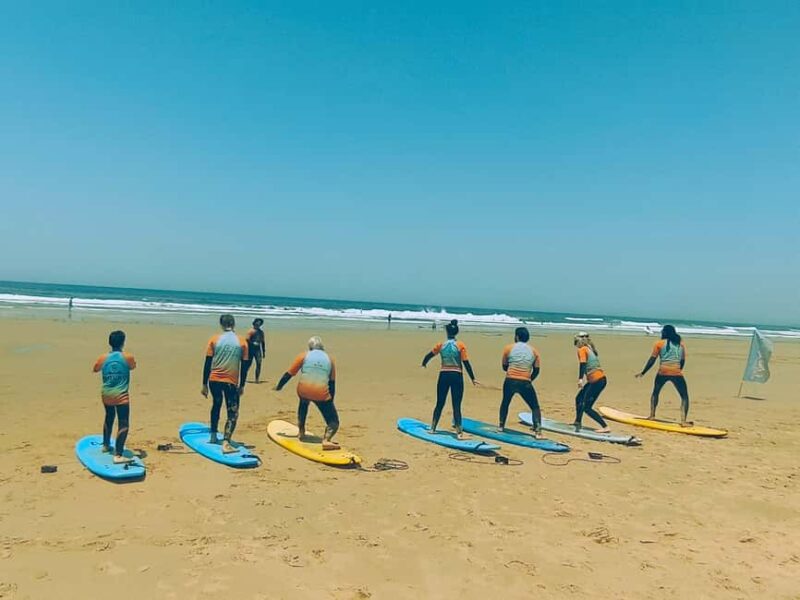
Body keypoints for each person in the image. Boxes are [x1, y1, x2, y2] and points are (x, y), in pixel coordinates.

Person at [274, 336, 340, 450]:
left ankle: (301, 431)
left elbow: (289, 374)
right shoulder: (330, 359)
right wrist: (330, 401)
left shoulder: (303, 355)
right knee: (334, 421)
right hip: (321, 392)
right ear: (322, 347)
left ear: (310, 347)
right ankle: (326, 440)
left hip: (303, 389)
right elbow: (332, 383)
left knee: (303, 404)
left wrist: (279, 386)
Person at [421, 319, 479, 437]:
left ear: (447, 332)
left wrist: (424, 363)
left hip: (444, 375)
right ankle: (459, 432)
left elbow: (429, 355)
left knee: (440, 402)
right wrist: (472, 377)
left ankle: (432, 428)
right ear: (456, 332)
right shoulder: (460, 345)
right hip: (456, 376)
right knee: (456, 404)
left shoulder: (441, 345)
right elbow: (466, 362)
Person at [201, 314, 249, 453]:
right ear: (233, 324)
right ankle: (226, 442)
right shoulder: (242, 342)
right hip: (231, 382)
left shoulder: (214, 339)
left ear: (221, 325)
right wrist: (242, 385)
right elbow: (245, 366)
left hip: (214, 380)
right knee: (232, 412)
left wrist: (204, 384)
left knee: (216, 405)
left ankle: (213, 436)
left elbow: (207, 363)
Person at [92, 330, 137, 463]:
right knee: (123, 423)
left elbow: (95, 369)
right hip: (121, 395)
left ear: (109, 343)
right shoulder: (128, 357)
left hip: (106, 394)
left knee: (109, 418)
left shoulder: (103, 357)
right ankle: (118, 455)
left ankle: (106, 445)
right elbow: (133, 367)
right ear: (123, 342)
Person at [635, 324, 691, 426]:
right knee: (684, 396)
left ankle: (652, 415)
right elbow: (682, 361)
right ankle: (683, 421)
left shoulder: (659, 344)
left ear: (664, 333)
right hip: (676, 372)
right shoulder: (680, 344)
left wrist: (643, 372)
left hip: (663, 372)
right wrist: (677, 370)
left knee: (655, 392)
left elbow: (652, 360)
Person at [499, 327, 543, 438]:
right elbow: (537, 370)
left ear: (517, 336)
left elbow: (504, 367)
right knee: (534, 406)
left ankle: (501, 426)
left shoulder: (508, 348)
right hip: (525, 382)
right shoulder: (534, 351)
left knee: (505, 402)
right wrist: (529, 379)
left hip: (510, 380)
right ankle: (538, 431)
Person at [573, 332, 610, 432]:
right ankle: (578, 421)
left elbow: (583, 364)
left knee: (587, 408)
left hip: (597, 381)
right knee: (579, 398)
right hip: (597, 380)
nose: (575, 344)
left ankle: (605, 427)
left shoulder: (582, 349)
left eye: (575, 342)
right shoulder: (589, 348)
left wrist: (580, 379)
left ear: (578, 342)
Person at [246, 318, 267, 383]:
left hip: (258, 350)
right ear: (254, 323)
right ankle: (243, 377)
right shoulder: (251, 331)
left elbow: (263, 342)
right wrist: (252, 343)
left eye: (260, 323)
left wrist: (263, 351)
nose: (258, 324)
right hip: (250, 349)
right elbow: (247, 340)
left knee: (259, 363)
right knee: (248, 364)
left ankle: (257, 379)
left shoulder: (261, 332)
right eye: (257, 322)